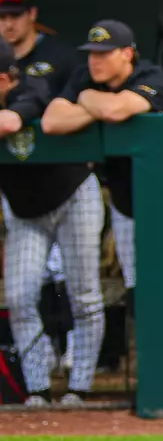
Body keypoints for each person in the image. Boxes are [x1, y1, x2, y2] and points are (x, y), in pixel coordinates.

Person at [41, 20, 163, 311]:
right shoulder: (84, 76)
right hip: (123, 199)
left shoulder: (151, 75)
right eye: (92, 54)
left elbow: (116, 111)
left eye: (104, 53)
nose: (95, 61)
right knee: (135, 285)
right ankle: (140, 352)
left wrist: (86, 98)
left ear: (127, 54)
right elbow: (51, 121)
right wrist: (96, 109)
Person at [0, 36, 105, 409]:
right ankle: (38, 388)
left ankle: (81, 386)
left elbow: (11, 120)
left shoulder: (33, 86)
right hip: (27, 212)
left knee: (84, 295)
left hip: (74, 197)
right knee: (19, 295)